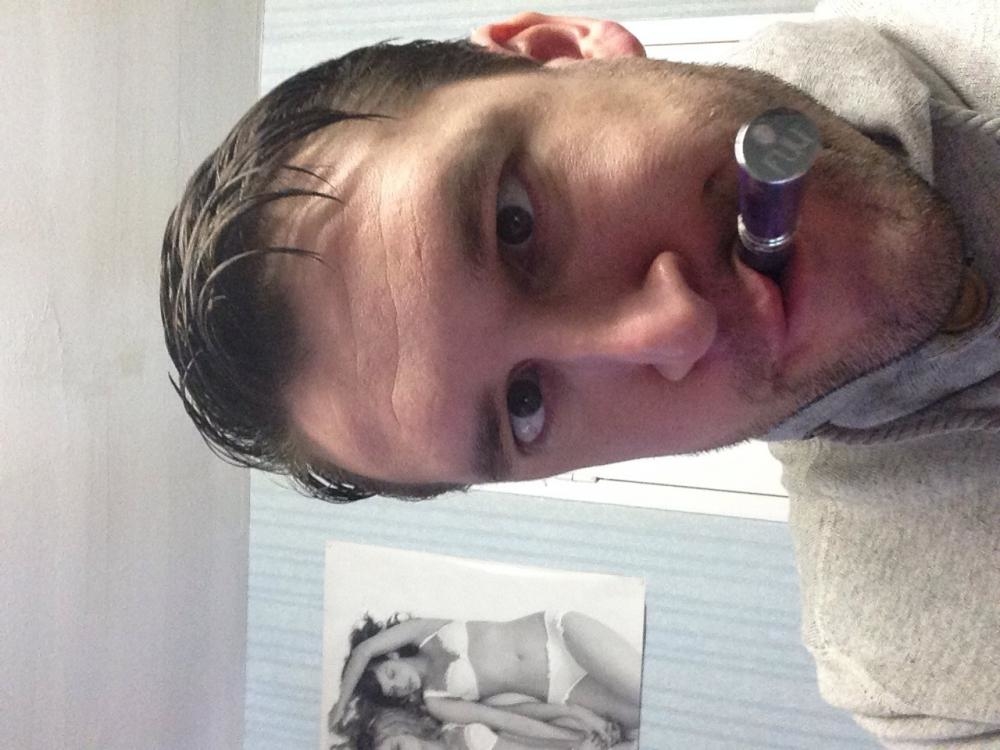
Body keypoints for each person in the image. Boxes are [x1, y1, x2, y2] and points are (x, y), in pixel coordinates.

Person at [160, 0, 999, 745]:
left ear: (559, 49)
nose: (676, 330)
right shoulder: (918, 683)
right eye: (525, 406)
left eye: (514, 221)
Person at [328, 612, 640, 739]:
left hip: (560, 635)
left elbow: (364, 651)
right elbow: (507, 720)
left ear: (392, 655)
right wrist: (575, 736)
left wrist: (341, 703)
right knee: (641, 719)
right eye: (394, 691)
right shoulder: (437, 702)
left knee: (643, 692)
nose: (401, 684)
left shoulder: (424, 631)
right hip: (563, 689)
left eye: (391, 674)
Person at [341, 705, 615, 750]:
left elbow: (515, 718)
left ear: (404, 729)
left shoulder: (457, 731)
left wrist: (576, 741)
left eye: (398, 748)